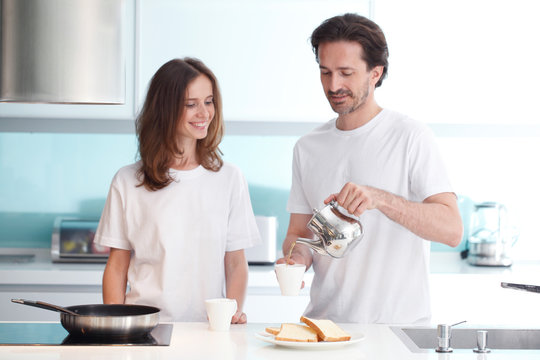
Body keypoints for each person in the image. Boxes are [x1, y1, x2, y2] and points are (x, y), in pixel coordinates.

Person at [278, 14, 463, 324]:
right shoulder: (307, 148)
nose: (333, 85)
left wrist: (381, 199)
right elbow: (299, 233)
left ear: (375, 73)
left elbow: (452, 230)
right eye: (325, 72)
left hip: (398, 331)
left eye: (346, 73)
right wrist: (296, 258)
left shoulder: (410, 137)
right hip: (324, 329)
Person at [94, 58, 260, 323]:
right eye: (191, 105)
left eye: (209, 101)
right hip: (144, 327)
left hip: (208, 328)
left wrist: (232, 312)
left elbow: (235, 262)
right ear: (165, 110)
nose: (204, 113)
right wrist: (115, 327)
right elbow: (117, 266)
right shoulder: (127, 181)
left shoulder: (229, 178)